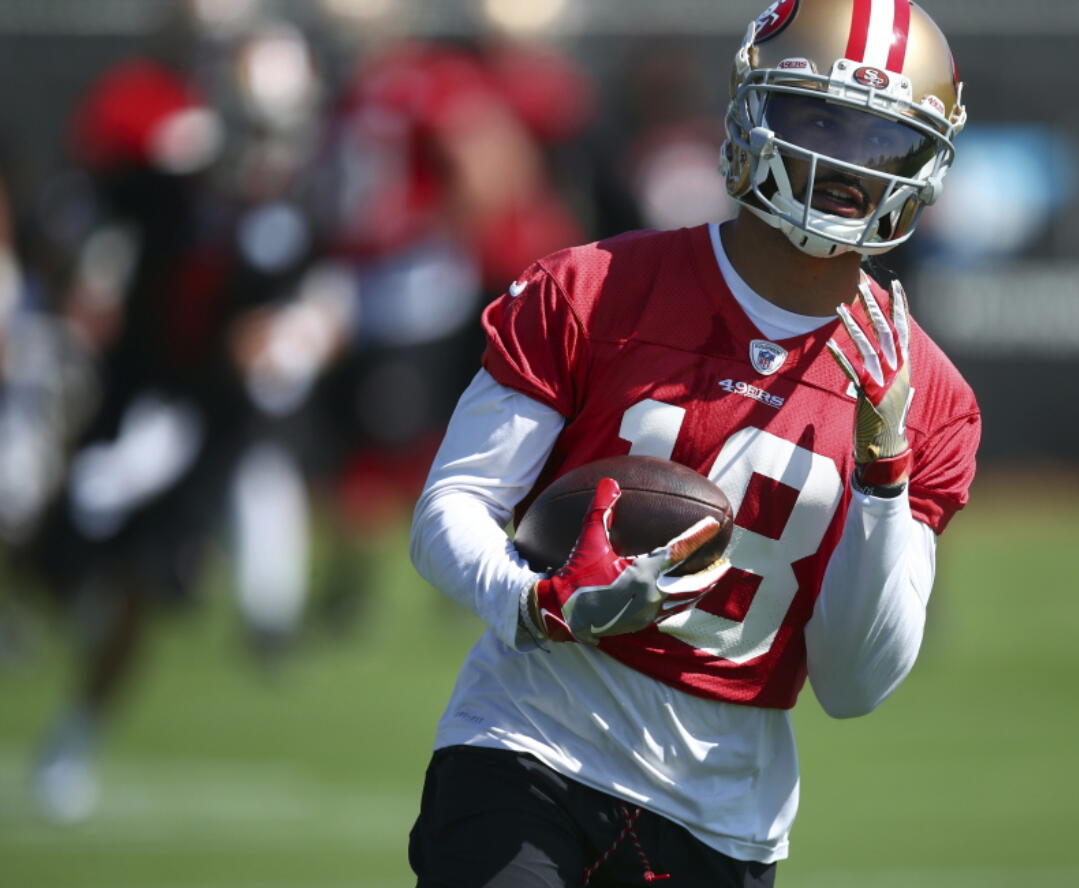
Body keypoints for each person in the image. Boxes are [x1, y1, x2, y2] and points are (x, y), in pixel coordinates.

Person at [408, 1, 980, 885]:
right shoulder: (595, 287)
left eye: (881, 138)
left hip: (726, 818)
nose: (842, 161)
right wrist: (536, 603)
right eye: (816, 117)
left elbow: (855, 684)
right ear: (752, 108)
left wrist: (883, 472)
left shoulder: (928, 394)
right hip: (529, 745)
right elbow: (451, 507)